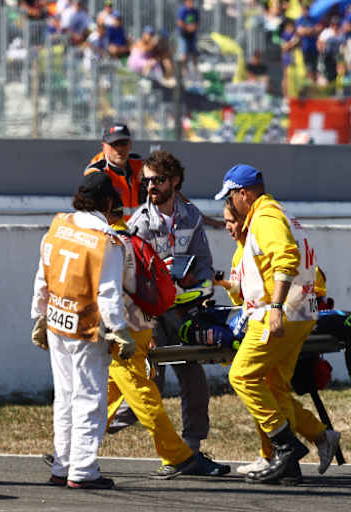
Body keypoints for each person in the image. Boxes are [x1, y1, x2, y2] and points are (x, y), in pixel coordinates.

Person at [215, 198, 341, 477]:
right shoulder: (243, 251)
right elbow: (243, 295)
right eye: (225, 222)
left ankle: (281, 450)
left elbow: (311, 277)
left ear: (245, 215)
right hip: (286, 318)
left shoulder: (267, 228)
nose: (228, 228)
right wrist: (224, 284)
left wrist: (277, 308)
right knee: (275, 388)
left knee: (244, 377)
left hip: (280, 319)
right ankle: (312, 441)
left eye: (232, 221)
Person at [122, 150, 229, 477]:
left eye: (158, 180)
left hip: (185, 312)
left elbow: (205, 264)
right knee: (147, 384)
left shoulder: (192, 216)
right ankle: (85, 438)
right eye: (148, 181)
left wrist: (199, 286)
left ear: (175, 181)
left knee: (194, 379)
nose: (152, 186)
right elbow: (131, 276)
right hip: (151, 315)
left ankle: (191, 451)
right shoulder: (137, 223)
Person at [30, 172, 134, 490]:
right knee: (90, 398)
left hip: (57, 322)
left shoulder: (60, 225)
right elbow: (108, 293)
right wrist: (120, 330)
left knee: (64, 397)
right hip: (88, 328)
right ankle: (83, 470)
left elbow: (42, 275)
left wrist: (39, 315)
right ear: (106, 201)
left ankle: (62, 466)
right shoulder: (107, 241)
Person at [84, 124, 146, 221]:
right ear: (103, 146)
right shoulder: (96, 174)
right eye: (114, 144)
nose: (119, 149)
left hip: (139, 229)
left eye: (123, 143)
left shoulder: (140, 165)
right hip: (111, 231)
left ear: (130, 144)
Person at [176, 0, 200, 76]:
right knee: (184, 54)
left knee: (195, 53)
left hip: (192, 36)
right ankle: (183, 71)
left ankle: (195, 70)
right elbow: (179, 22)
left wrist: (194, 27)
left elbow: (197, 22)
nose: (191, 3)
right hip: (183, 35)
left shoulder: (195, 11)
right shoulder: (183, 10)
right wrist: (187, 27)